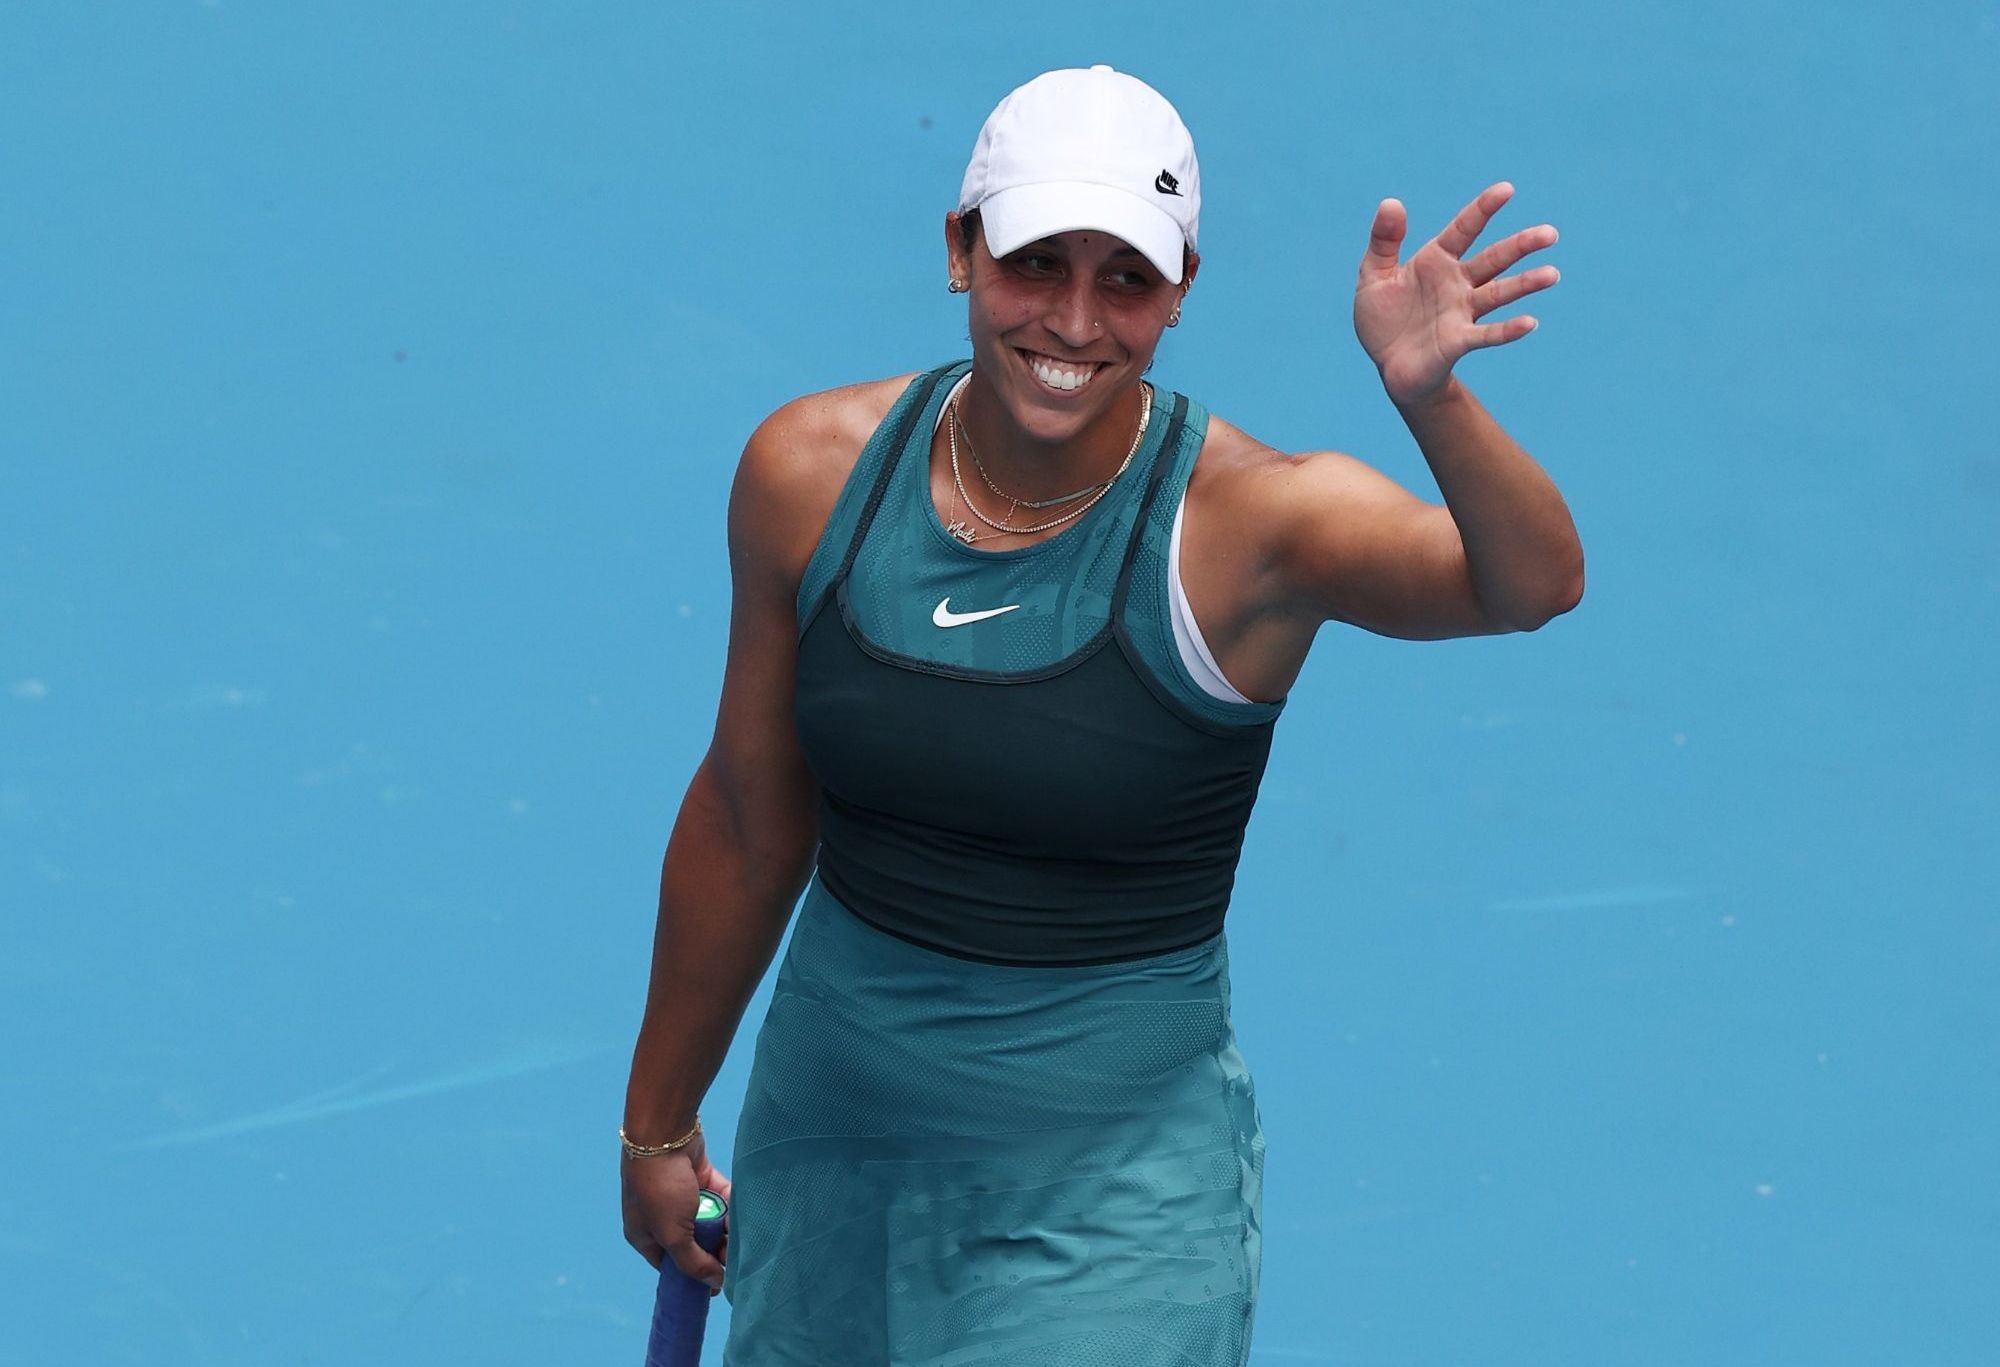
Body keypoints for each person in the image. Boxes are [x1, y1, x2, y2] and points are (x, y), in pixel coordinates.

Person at [620, 64, 1581, 1365]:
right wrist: (658, 1124)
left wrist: (1433, 399)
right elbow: (747, 813)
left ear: (1181, 289)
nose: (1074, 322)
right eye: (1036, 264)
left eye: (1126, 278)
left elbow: (1529, 585)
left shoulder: (1255, 523)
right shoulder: (808, 473)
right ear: (961, 251)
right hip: (832, 1150)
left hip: (1109, 1208)